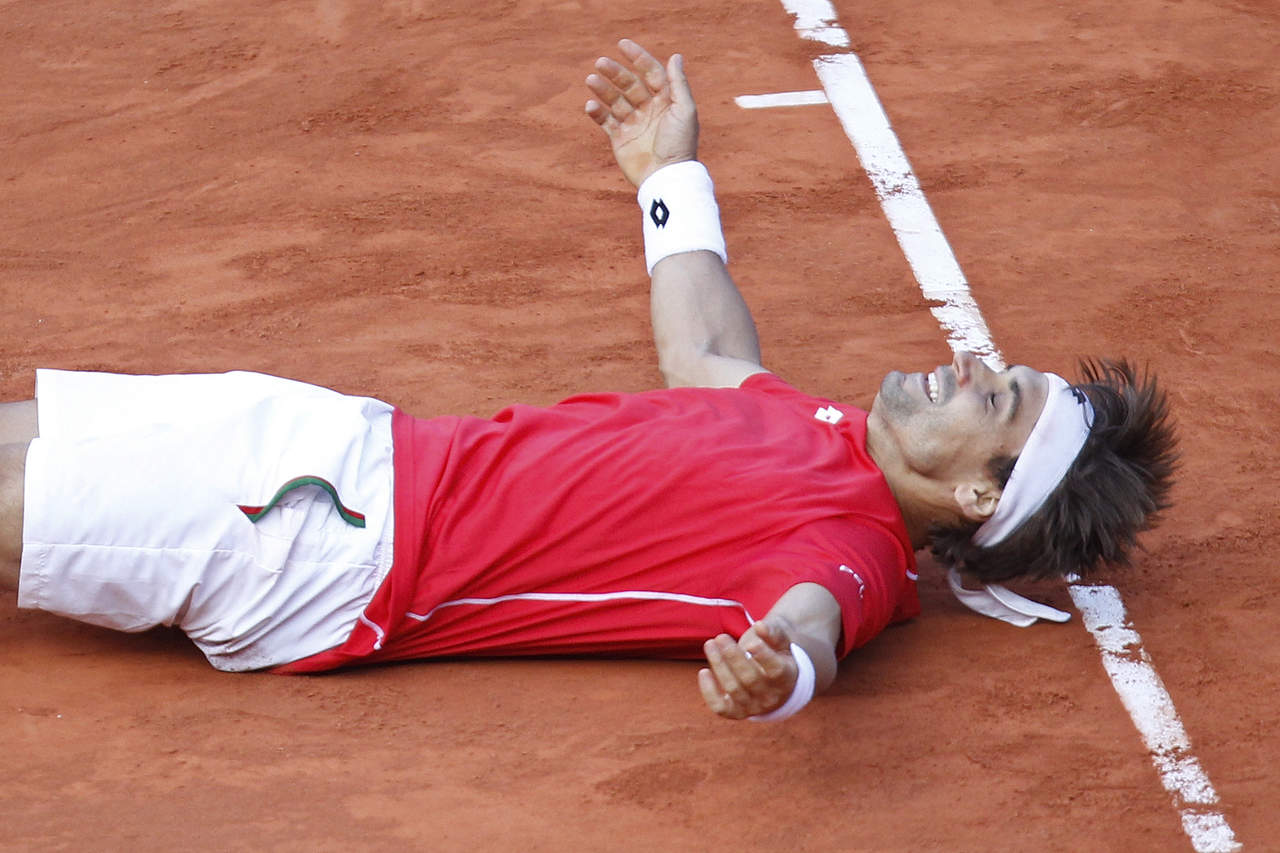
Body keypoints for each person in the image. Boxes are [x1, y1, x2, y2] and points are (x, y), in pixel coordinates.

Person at [0, 40, 1176, 721]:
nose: (969, 367)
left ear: (978, 495)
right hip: (335, 441)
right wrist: (669, 174)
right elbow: (706, 354)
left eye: (994, 398)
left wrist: (780, 674)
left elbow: (808, 621)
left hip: (326, 545)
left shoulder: (855, 548)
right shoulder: (812, 428)